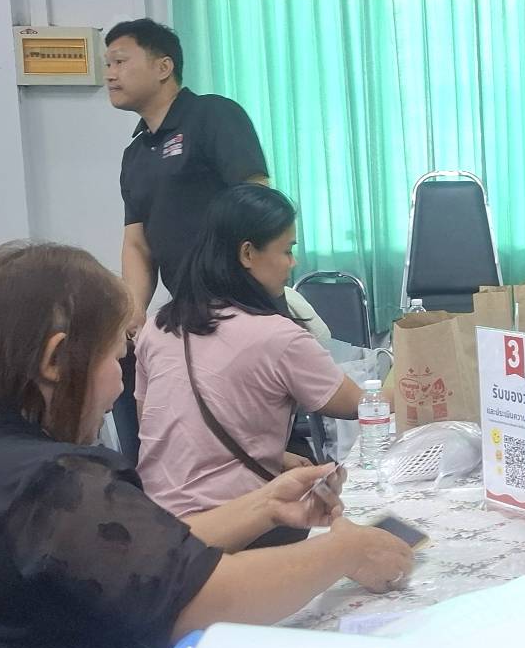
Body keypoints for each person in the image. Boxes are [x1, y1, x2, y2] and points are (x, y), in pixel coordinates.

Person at [0, 242, 414, 648]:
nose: (119, 384)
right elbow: (199, 601)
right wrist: (343, 551)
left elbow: (135, 560)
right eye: (113, 360)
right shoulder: (44, 480)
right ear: (55, 360)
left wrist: (264, 506)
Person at [136, 184, 361, 541]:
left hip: (157, 530)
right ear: (247, 254)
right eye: (287, 250)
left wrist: (275, 455)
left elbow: (161, 430)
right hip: (239, 528)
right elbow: (363, 406)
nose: (293, 263)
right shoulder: (277, 336)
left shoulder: (157, 327)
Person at [109, 18, 271, 327]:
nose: (110, 74)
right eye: (107, 65)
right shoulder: (135, 154)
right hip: (189, 311)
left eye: (120, 61)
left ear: (163, 67)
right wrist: (134, 311)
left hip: (242, 306)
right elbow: (137, 244)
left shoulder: (213, 114)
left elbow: (259, 203)